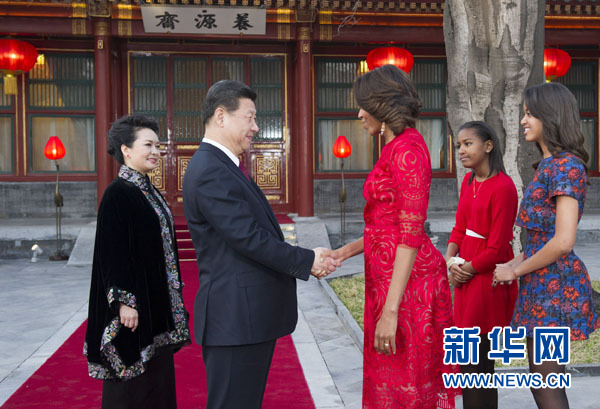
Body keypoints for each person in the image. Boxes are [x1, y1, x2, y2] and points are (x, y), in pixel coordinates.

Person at [182, 79, 338, 409]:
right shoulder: (210, 168)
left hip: (244, 319)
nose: (255, 127)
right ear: (221, 116)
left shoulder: (223, 165)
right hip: (234, 318)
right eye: (250, 117)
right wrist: (307, 259)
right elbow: (247, 237)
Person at [330, 65, 457, 409]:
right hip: (388, 283)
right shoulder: (392, 148)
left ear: (382, 105)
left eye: (363, 105)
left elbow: (411, 233)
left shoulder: (408, 150)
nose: (359, 114)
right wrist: (344, 252)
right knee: (389, 381)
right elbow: (385, 226)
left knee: (408, 388)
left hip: (411, 289)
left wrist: (391, 310)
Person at [494, 82, 599, 409]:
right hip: (539, 284)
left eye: (530, 114)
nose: (523, 120)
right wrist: (514, 264)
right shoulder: (550, 166)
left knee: (545, 384)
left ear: (550, 116)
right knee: (543, 382)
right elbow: (542, 236)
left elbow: (563, 241)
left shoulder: (566, 166)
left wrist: (515, 271)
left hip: (556, 288)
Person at [84, 114, 191, 409]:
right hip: (133, 306)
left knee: (156, 378)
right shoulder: (117, 193)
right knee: (130, 381)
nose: (156, 151)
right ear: (126, 150)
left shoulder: (148, 190)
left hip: (154, 301)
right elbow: (112, 252)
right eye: (148, 145)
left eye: (157, 145)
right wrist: (124, 302)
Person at [444, 121, 518, 409]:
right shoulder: (468, 181)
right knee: (470, 364)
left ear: (488, 146)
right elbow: (459, 229)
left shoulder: (504, 187)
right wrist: (450, 263)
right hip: (465, 275)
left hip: (487, 279)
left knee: (478, 363)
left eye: (467, 144)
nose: (461, 150)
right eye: (458, 145)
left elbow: (497, 248)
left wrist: (465, 270)